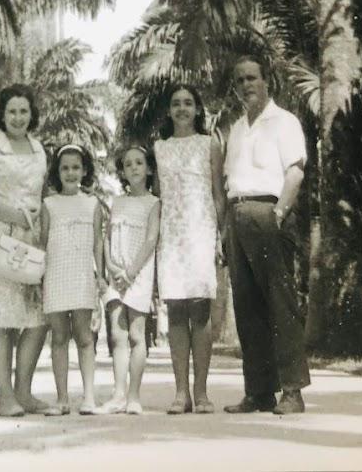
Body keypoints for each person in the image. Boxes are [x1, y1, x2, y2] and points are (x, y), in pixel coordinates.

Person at [222, 54, 311, 417]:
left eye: (252, 78)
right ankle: (259, 392)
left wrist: (279, 214)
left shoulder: (284, 121)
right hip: (237, 214)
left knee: (280, 303)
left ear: (266, 80)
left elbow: (295, 172)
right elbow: (229, 180)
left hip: (269, 212)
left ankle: (293, 391)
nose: (246, 85)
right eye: (240, 79)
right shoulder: (236, 129)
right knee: (247, 308)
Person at [0, 83, 49, 417]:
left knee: (38, 318)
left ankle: (24, 393)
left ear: (32, 114)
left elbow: (40, 195)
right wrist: (15, 216)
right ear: (2, 114)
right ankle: (5, 397)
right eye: (12, 111)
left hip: (30, 239)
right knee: (3, 320)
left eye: (23, 111)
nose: (18, 117)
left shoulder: (38, 148)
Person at [154, 83, 226, 415]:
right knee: (176, 311)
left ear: (197, 109)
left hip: (200, 233)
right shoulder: (160, 148)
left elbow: (218, 193)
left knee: (200, 311)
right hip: (171, 237)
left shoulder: (209, 143)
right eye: (176, 103)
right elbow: (159, 196)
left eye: (188, 103)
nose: (182, 109)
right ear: (169, 111)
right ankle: (181, 392)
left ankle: (202, 392)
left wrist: (219, 237)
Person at [40, 142, 104, 416]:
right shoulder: (49, 204)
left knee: (84, 336)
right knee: (59, 337)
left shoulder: (92, 204)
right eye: (65, 168)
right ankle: (62, 399)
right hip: (55, 275)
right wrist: (39, 276)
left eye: (76, 167)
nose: (70, 173)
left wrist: (100, 276)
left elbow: (98, 242)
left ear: (85, 170)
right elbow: (43, 242)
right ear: (57, 172)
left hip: (81, 275)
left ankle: (88, 397)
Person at [98, 144, 161, 415]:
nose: (133, 168)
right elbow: (108, 237)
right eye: (128, 164)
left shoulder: (154, 203)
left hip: (139, 273)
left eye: (139, 163)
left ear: (148, 169)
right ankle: (118, 394)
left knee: (136, 334)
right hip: (116, 274)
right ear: (122, 172)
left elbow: (151, 239)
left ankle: (134, 395)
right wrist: (112, 268)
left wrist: (131, 272)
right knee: (117, 334)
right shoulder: (118, 202)